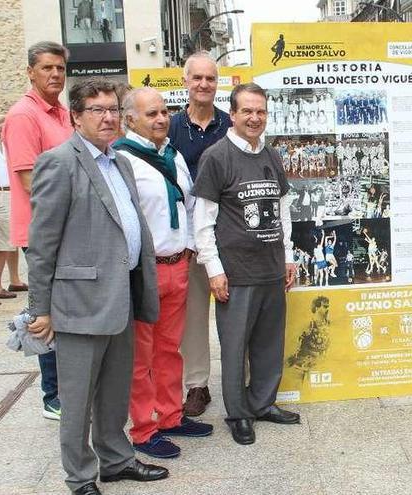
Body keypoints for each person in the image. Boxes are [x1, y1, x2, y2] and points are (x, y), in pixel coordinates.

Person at [26, 78, 168, 495]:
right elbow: (41, 244)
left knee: (113, 391)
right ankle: (80, 476)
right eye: (97, 110)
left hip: (120, 294)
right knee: (77, 401)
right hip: (79, 303)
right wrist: (40, 309)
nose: (108, 118)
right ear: (76, 116)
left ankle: (117, 459)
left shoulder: (118, 160)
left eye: (112, 109)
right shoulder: (58, 162)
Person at [193, 83, 300, 445]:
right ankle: (238, 413)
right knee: (235, 346)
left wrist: (288, 256)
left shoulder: (271, 154)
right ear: (233, 114)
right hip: (235, 273)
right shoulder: (216, 156)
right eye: (247, 111)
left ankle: (263, 403)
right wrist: (214, 270)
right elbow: (203, 221)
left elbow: (283, 209)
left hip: (271, 268)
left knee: (269, 343)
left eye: (261, 112)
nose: (255, 118)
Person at [114, 88, 213, 460]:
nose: (160, 119)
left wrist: (188, 247)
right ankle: (143, 429)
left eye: (164, 112)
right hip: (146, 270)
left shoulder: (171, 155)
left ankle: (171, 416)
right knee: (141, 356)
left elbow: (188, 208)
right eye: (151, 114)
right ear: (130, 120)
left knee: (170, 349)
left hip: (178, 267)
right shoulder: (123, 159)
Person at [3, 41, 74, 420]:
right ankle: (52, 395)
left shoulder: (62, 113)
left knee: (66, 309)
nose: (54, 75)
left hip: (68, 231)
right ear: (30, 72)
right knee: (45, 310)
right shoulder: (23, 116)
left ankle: (69, 386)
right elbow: (32, 181)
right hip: (42, 234)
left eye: (60, 69)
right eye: (47, 68)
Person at [168, 51, 231, 417]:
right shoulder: (171, 126)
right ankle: (197, 385)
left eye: (210, 78)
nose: (204, 84)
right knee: (193, 317)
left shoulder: (231, 124)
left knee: (234, 311)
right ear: (186, 82)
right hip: (189, 240)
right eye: (198, 78)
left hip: (229, 236)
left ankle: (242, 379)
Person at [0, 115, 26, 303]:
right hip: (1, 193)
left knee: (12, 238)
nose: (1, 127)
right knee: (4, 241)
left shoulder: (7, 144)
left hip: (11, 192)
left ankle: (15, 279)